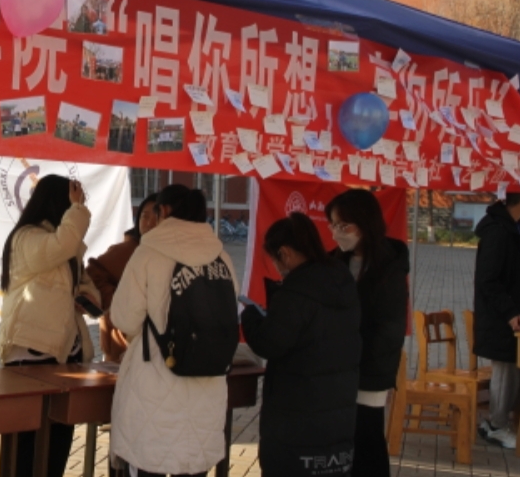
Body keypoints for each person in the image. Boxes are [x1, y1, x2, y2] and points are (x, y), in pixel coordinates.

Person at [109, 185, 237, 477]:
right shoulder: (223, 257)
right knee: (193, 463)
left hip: (154, 381)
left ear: (163, 211)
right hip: (208, 383)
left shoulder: (147, 254)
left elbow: (125, 318)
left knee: (148, 463)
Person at [241, 213, 361, 477]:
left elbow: (269, 343)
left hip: (297, 416)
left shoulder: (296, 292)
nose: (276, 266)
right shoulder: (341, 279)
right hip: (338, 412)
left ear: (284, 253)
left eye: (275, 259)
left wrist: (250, 317)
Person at [0, 175, 98, 477]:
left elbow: (83, 282)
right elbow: (62, 244)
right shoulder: (26, 237)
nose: (77, 206)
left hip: (64, 353)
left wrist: (87, 298)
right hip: (31, 355)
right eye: (72, 202)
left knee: (57, 442)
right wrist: (78, 210)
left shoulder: (64, 244)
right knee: (27, 447)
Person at [325, 190, 409, 477]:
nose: (337, 232)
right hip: (339, 368)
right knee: (345, 441)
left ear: (364, 223)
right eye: (333, 225)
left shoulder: (389, 267)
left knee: (368, 438)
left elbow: (390, 328)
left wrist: (359, 360)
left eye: (344, 225)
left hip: (370, 370)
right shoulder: (335, 261)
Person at [473, 192, 520, 450]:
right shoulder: (497, 231)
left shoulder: (517, 227)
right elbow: (488, 279)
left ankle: (501, 421)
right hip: (500, 316)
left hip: (517, 310)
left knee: (514, 369)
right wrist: (510, 312)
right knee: (504, 368)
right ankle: (496, 424)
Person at [85, 193, 158, 363]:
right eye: (144, 216)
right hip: (121, 348)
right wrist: (116, 303)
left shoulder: (172, 254)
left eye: (156, 217)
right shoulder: (126, 251)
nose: (149, 223)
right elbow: (93, 274)